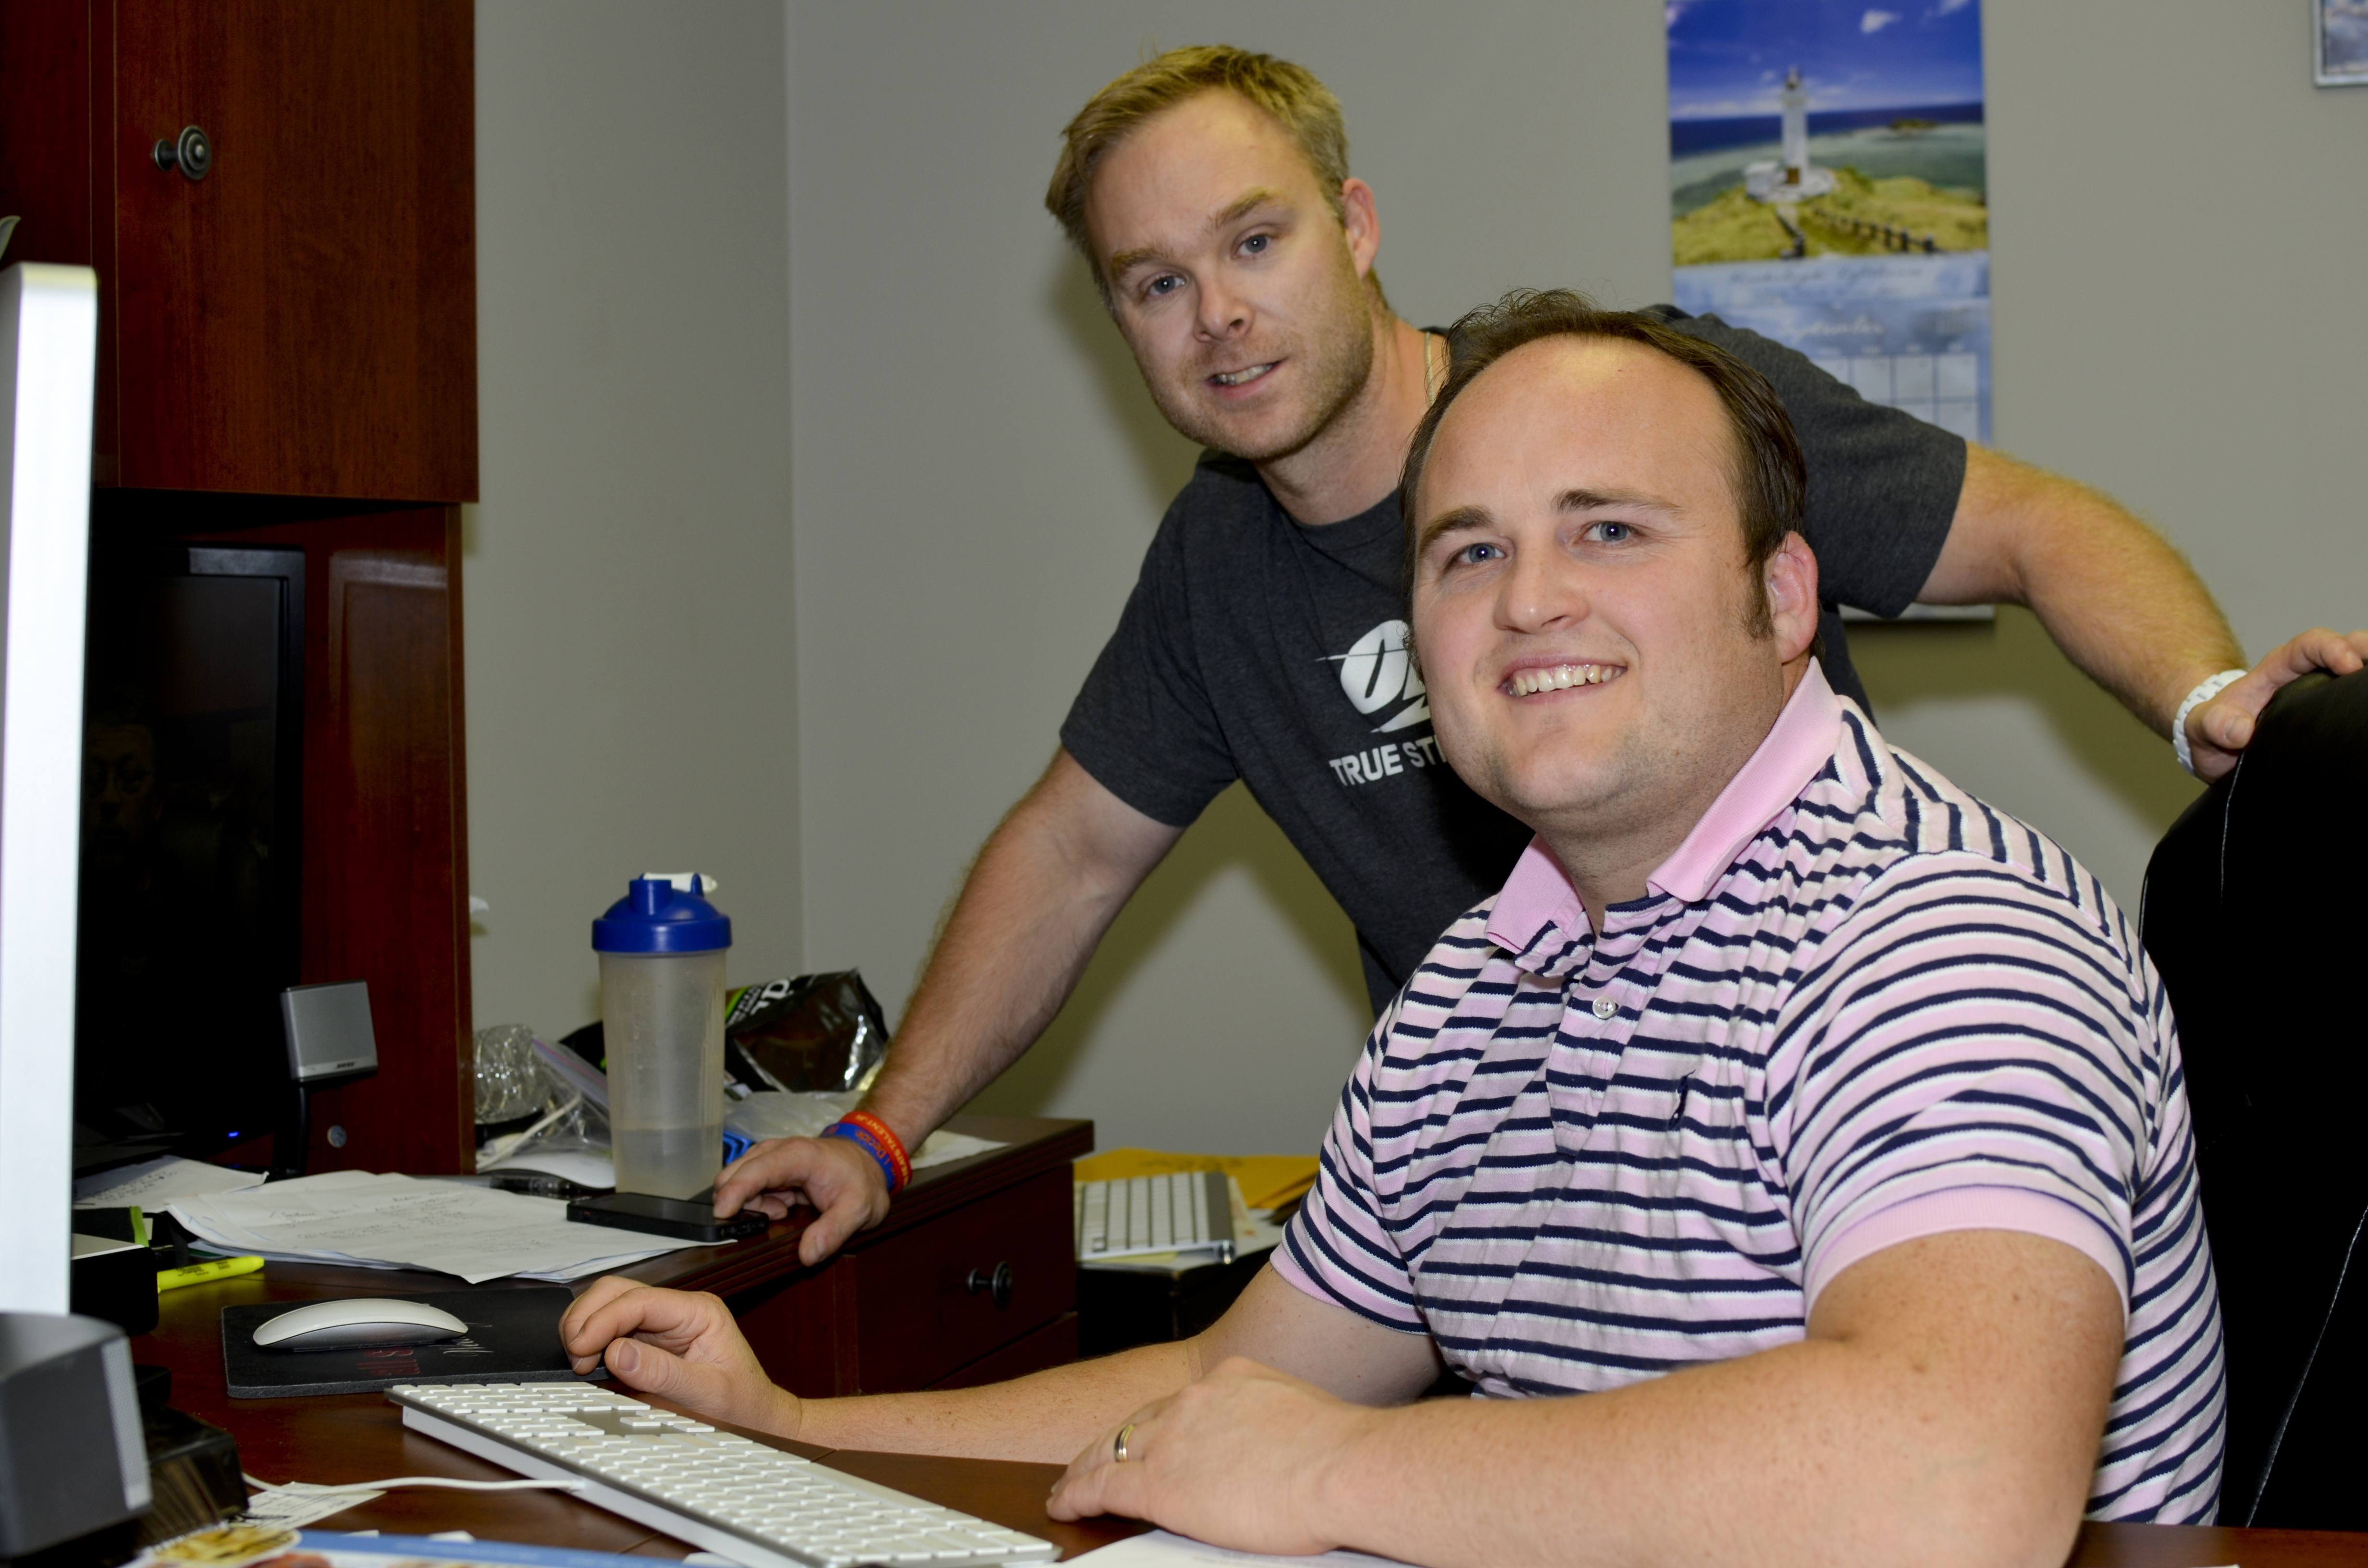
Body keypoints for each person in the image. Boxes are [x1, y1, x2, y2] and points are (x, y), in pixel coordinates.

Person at [562, 297, 2223, 1561]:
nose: (1527, 599)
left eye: (1611, 529)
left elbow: (1953, 1493)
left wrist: (1334, 1474)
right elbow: (1231, 1393)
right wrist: (789, 1427)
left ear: (1785, 599)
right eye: (1468, 551)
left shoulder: (1939, 933)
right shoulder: (1478, 992)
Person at [716, 44, 2368, 1264]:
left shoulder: (1647, 402)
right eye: (1156, 282)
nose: (1216, 312)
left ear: (1354, 224)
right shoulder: (1223, 577)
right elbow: (1071, 849)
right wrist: (879, 1127)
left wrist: (2204, 698)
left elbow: (2030, 527)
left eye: (1253, 242)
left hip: (1789, 1148)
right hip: (1531, 1214)